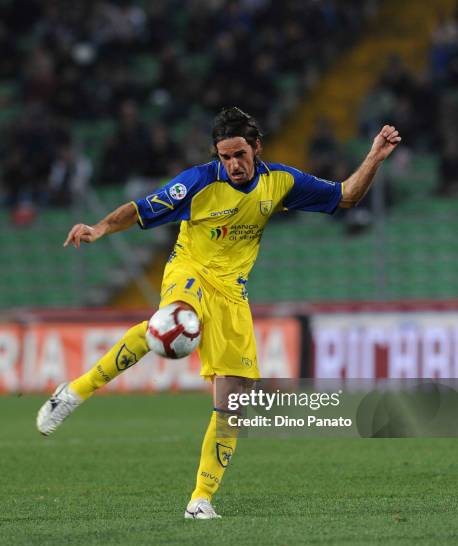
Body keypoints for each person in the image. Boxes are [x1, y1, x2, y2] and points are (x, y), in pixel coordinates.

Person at [36, 107, 401, 519]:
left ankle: (200, 500)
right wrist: (99, 228)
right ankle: (73, 393)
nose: (233, 164)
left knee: (232, 403)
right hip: (189, 270)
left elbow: (346, 196)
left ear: (256, 147)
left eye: (239, 154)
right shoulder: (197, 182)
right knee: (169, 321)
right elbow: (140, 210)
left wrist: (374, 157)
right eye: (225, 156)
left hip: (232, 293)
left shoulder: (281, 181)